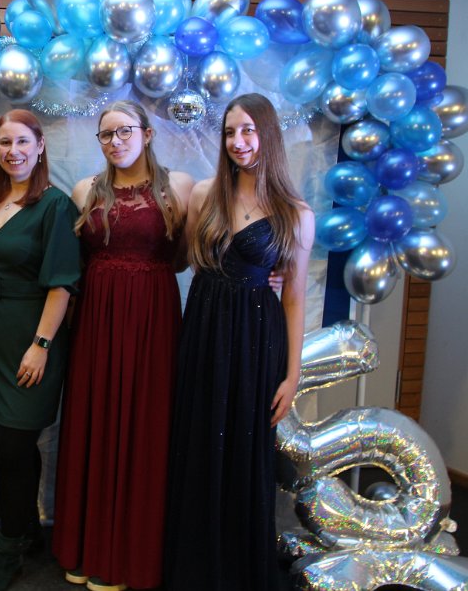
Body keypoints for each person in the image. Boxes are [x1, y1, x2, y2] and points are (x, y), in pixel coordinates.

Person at [165, 93, 314, 590]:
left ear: (267, 134)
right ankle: (193, 570)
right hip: (204, 330)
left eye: (248, 130)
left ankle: (235, 572)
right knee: (197, 443)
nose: (238, 141)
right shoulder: (205, 193)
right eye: (230, 132)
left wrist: (292, 376)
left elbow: (294, 297)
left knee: (244, 454)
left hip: (255, 341)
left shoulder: (295, 212)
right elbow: (185, 261)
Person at [52, 101, 194, 591]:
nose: (115, 142)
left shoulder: (181, 188)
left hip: (153, 319)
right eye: (106, 135)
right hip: (97, 320)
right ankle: (89, 546)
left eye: (124, 132)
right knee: (95, 422)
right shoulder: (83, 190)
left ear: (147, 134)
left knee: (144, 426)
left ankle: (131, 555)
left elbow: (187, 257)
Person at [0, 109, 82, 591]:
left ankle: (8, 553)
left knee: (13, 446)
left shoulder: (55, 206)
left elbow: (62, 285)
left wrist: (40, 345)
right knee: (11, 446)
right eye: (4, 143)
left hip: (34, 338)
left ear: (39, 147)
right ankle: (27, 531)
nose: (12, 151)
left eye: (21, 142)